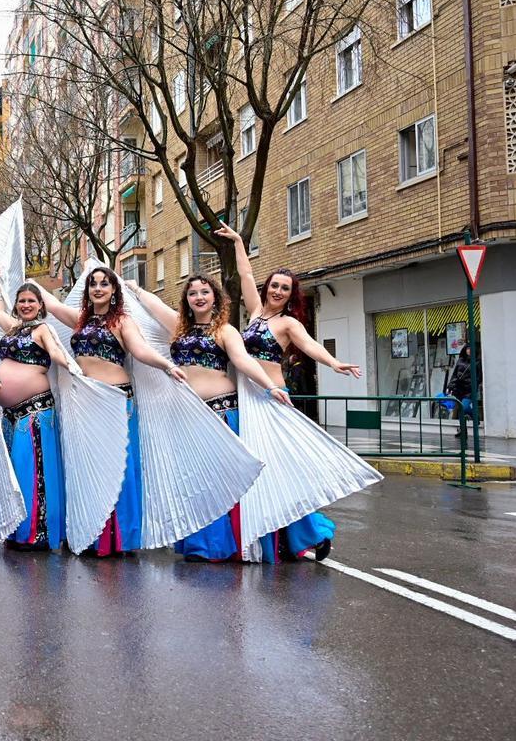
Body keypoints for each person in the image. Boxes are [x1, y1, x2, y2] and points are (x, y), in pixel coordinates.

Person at [217, 222, 361, 562]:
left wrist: (335, 363)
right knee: (255, 472)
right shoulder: (254, 313)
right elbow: (246, 275)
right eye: (275, 285)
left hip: (273, 399)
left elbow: (310, 346)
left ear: (290, 294)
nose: (278, 291)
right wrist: (239, 241)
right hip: (246, 399)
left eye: (285, 288)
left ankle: (312, 532)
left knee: (278, 470)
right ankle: (268, 535)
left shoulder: (288, 323)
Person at [130, 272, 291, 562]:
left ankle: (229, 544)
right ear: (186, 300)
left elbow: (243, 361)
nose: (199, 297)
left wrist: (270, 387)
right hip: (190, 416)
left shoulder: (225, 331)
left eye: (205, 292)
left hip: (222, 412)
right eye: (193, 293)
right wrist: (130, 286)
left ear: (215, 297)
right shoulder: (179, 326)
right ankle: (202, 544)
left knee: (223, 480)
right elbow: (152, 304)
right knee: (196, 480)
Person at [35, 266, 187, 555]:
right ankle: (90, 532)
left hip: (117, 400)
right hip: (88, 403)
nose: (98, 288)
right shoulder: (80, 320)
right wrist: (26, 281)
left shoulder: (122, 321)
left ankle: (118, 539)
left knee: (118, 467)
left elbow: (140, 350)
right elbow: (52, 305)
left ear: (114, 290)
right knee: (89, 466)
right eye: (93, 284)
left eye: (105, 284)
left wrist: (167, 365)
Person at [0, 276, 73, 551]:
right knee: (15, 471)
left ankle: (35, 532)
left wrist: (74, 369)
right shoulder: (13, 329)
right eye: (22, 301)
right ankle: (17, 530)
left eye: (31, 301)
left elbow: (55, 353)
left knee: (32, 469)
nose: (26, 305)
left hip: (35, 411)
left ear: (40, 305)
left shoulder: (42, 330)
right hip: (10, 415)